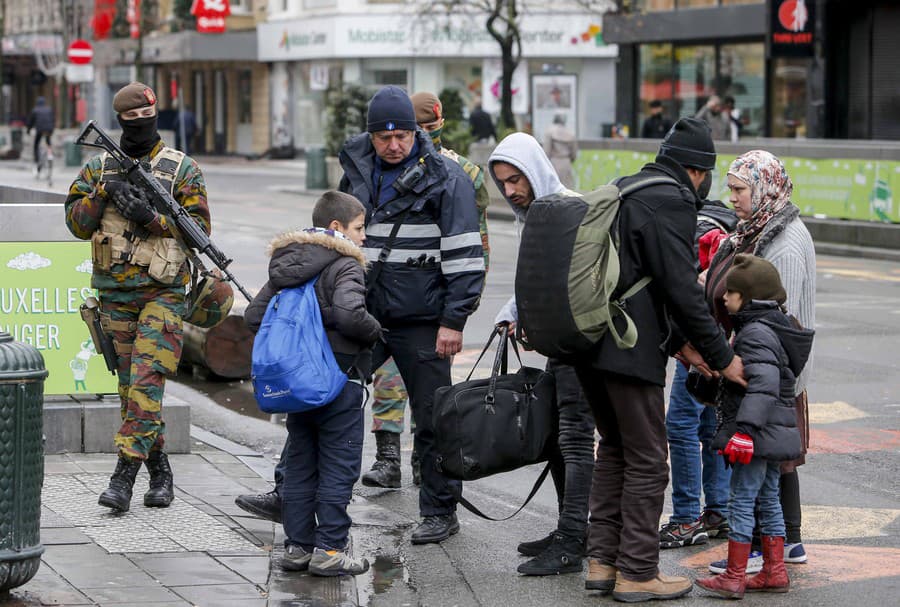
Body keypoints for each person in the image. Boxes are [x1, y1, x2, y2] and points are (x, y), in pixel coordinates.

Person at [572, 117, 746, 602]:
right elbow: (680, 291)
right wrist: (722, 356)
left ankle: (603, 563)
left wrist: (681, 348)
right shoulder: (671, 200)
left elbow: (638, 282)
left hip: (591, 345)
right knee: (649, 459)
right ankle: (639, 572)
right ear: (700, 171)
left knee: (615, 450)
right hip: (628, 352)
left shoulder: (627, 188)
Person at [341, 85, 484, 545]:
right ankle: (293, 490)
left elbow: (465, 256)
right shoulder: (356, 171)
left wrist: (454, 321)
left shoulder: (447, 177)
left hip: (424, 318)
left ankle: (440, 512)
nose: (394, 145)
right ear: (371, 136)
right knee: (324, 395)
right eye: (384, 138)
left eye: (401, 135)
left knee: (433, 417)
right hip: (363, 312)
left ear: (414, 132)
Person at [65, 82, 209, 512]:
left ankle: (123, 477)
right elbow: (75, 223)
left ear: (156, 115)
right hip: (114, 297)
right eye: (132, 122)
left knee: (147, 380)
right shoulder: (99, 167)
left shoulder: (181, 169)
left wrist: (153, 218)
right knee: (133, 391)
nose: (141, 127)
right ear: (120, 121)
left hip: (162, 294)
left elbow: (200, 231)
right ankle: (160, 469)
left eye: (147, 119)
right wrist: (104, 193)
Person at [243, 191, 382, 577]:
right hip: (338, 379)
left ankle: (297, 548)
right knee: (339, 465)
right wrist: (375, 332)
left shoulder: (287, 263)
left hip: (297, 386)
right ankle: (331, 551)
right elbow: (352, 316)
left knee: (302, 464)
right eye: (359, 227)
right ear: (337, 228)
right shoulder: (345, 264)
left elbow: (254, 317)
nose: (364, 237)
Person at [703, 149, 816, 575]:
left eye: (739, 189)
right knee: (775, 463)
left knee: (762, 468)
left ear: (764, 188)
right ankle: (786, 546)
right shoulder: (763, 227)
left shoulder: (783, 243)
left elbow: (774, 324)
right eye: (729, 188)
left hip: (770, 378)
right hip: (772, 376)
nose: (731, 197)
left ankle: (754, 554)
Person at [486, 132, 595, 576]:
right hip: (557, 341)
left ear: (536, 170)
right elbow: (533, 277)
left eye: (517, 179)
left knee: (573, 437)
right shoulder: (534, 217)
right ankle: (572, 531)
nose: (511, 191)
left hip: (578, 345)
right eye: (504, 183)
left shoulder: (569, 210)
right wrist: (512, 312)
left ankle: (572, 541)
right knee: (556, 436)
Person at [695, 254, 813, 599]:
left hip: (757, 434)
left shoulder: (755, 333)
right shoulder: (772, 327)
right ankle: (774, 571)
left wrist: (744, 432)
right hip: (774, 432)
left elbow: (762, 386)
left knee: (741, 500)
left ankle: (734, 575)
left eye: (731, 292)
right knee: (768, 499)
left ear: (748, 297)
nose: (724, 298)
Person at [659, 195, 738, 550]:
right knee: (711, 425)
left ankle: (686, 517)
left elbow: (683, 296)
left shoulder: (689, 230)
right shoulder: (727, 225)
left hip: (698, 343)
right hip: (724, 340)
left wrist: (687, 346)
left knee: (680, 424)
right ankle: (718, 511)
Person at [542, 114, 578, 188]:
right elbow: (574, 154)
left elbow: (546, 151)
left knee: (554, 187)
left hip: (554, 161)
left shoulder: (550, 132)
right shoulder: (570, 133)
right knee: (567, 187)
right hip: (566, 162)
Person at [26, 96, 54, 174]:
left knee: (36, 145)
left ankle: (37, 160)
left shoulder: (35, 110)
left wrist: (28, 130)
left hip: (40, 130)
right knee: (48, 142)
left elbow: (30, 122)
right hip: (49, 129)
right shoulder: (49, 109)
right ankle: (50, 154)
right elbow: (52, 119)